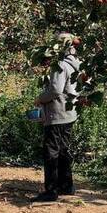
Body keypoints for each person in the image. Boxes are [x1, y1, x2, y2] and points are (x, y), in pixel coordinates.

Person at [31, 34, 81, 202]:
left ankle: (51, 191)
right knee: (63, 150)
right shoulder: (77, 62)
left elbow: (55, 90)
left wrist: (40, 99)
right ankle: (66, 186)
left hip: (57, 113)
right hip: (70, 112)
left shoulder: (59, 64)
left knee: (51, 151)